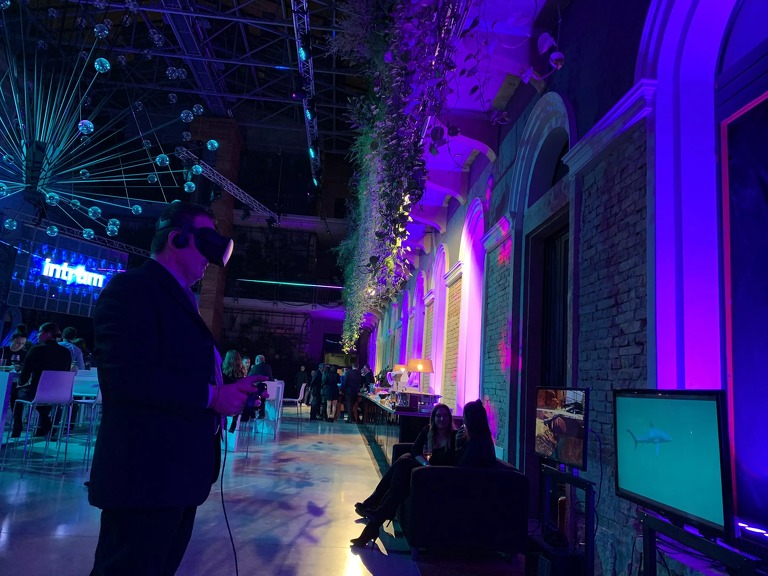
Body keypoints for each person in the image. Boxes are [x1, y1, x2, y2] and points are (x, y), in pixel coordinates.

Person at [88, 200, 262, 576]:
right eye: (206, 242)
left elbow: (179, 371)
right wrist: (213, 397)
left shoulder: (181, 297)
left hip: (176, 475)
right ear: (177, 239)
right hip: (145, 476)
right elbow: (127, 377)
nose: (211, 259)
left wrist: (229, 389)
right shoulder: (131, 289)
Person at [350, 399, 496, 548]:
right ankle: (376, 521)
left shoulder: (471, 443)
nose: (462, 422)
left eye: (464, 418)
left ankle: (376, 515)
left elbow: (459, 469)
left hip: (445, 480)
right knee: (403, 469)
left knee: (404, 464)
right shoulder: (477, 441)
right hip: (442, 476)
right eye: (439, 416)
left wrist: (457, 446)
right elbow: (420, 452)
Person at [354, 403, 456, 520]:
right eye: (439, 416)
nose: (442, 419)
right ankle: (379, 507)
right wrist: (425, 464)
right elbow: (415, 450)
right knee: (403, 462)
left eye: (445, 416)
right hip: (426, 468)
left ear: (449, 418)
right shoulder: (428, 430)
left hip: (439, 471)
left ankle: (375, 505)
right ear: (433, 418)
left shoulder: (454, 436)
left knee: (404, 462)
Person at [12, 322, 72, 438]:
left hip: (37, 392)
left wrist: (20, 381)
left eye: (40, 332)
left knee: (15, 393)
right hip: (58, 394)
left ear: (48, 334)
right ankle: (45, 424)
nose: (37, 335)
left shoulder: (36, 350)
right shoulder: (66, 352)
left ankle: (17, 427)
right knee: (43, 397)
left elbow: (23, 379)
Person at [247, 354, 272, 419]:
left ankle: (252, 413)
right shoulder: (268, 367)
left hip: (258, 392)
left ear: (257, 360)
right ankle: (261, 412)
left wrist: (252, 368)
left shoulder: (255, 367)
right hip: (269, 391)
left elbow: (248, 378)